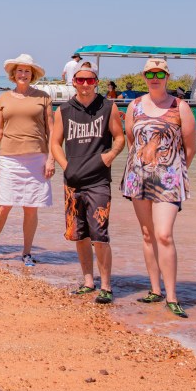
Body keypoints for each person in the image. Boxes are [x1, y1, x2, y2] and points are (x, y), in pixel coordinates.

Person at [121, 58, 196, 318]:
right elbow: (132, 141)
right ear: (144, 76)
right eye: (150, 73)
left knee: (164, 234)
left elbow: (190, 148)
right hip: (138, 177)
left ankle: (172, 296)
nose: (155, 78)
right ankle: (155, 290)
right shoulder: (135, 106)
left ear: (167, 76)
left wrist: (173, 171)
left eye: (159, 73)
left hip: (169, 179)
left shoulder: (180, 107)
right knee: (147, 234)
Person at [50, 62, 125, 304]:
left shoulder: (108, 106)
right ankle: (88, 281)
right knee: (78, 234)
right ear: (73, 82)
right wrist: (66, 165)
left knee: (99, 234)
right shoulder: (63, 110)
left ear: (96, 82)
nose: (85, 84)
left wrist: (109, 156)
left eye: (90, 80)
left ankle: (106, 286)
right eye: (80, 80)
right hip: (72, 181)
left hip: (98, 180)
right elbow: (54, 143)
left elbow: (120, 138)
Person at [0, 54, 54, 267]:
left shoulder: (43, 97)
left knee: (31, 208)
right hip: (10, 159)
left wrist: (51, 159)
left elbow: (52, 131)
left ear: (32, 75)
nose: (23, 74)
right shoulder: (3, 99)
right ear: (14, 75)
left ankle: (27, 253)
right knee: (3, 206)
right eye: (20, 71)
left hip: (37, 158)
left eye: (27, 71)